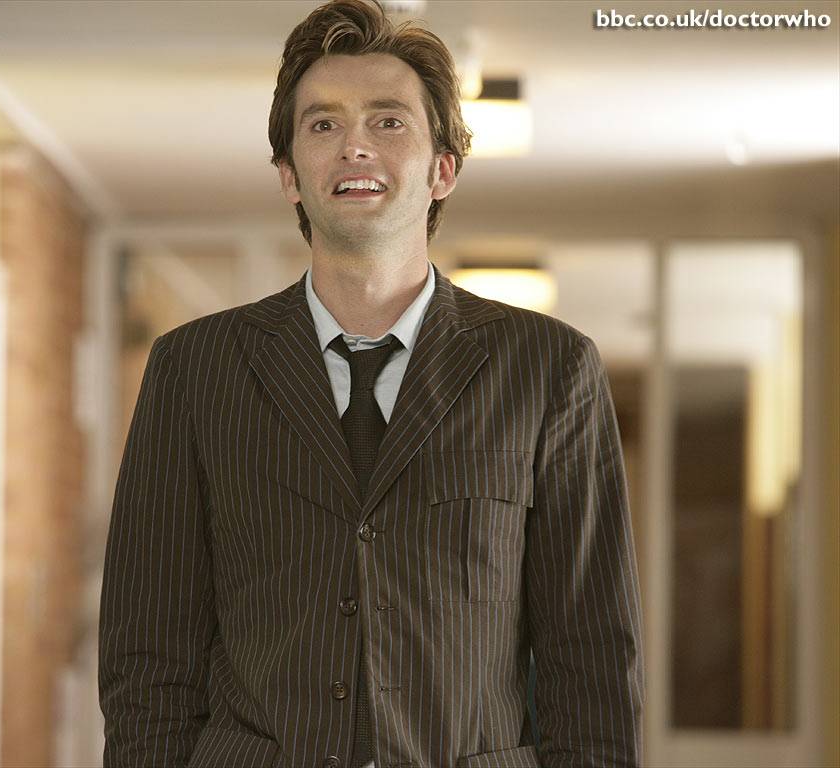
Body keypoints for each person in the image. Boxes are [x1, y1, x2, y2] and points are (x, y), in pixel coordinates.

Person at [98, 1, 645, 766]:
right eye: (323, 124)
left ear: (442, 169)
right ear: (290, 176)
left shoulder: (549, 370)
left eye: (388, 122)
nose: (354, 144)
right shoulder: (194, 370)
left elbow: (592, 660)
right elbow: (148, 660)